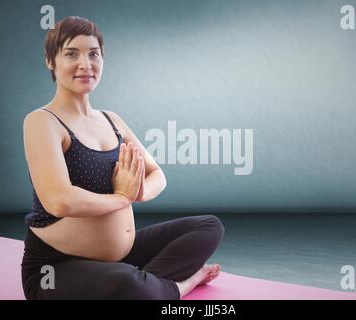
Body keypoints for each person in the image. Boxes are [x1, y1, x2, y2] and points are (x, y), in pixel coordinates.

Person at [21, 16, 224, 300]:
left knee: (209, 226)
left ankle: (145, 286)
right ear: (50, 61)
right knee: (125, 284)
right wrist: (121, 198)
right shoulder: (42, 121)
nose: (85, 64)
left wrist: (138, 191)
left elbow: (158, 175)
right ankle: (181, 286)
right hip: (54, 268)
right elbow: (59, 200)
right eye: (71, 54)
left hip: (120, 258)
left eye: (94, 54)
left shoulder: (111, 120)